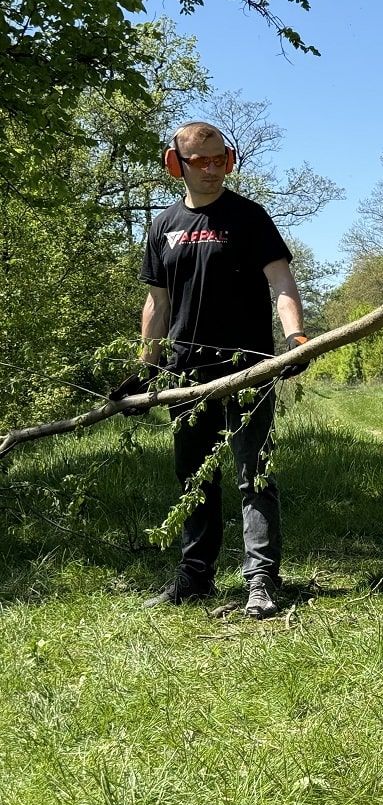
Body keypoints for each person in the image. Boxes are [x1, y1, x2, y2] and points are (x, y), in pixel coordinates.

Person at [111, 121, 309, 619]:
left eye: (220, 159)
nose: (212, 169)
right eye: (200, 161)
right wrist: (147, 368)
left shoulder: (249, 217)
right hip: (185, 377)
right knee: (193, 479)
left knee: (254, 476)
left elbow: (281, 280)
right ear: (175, 164)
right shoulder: (162, 226)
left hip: (249, 369)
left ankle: (260, 580)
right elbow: (157, 303)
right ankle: (195, 577)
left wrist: (295, 338)